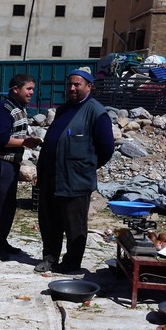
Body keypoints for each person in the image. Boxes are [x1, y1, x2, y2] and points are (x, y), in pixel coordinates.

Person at [34, 68, 115, 274]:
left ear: (89, 86)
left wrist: (85, 166)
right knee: (49, 221)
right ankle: (49, 259)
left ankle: (71, 263)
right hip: (52, 177)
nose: (71, 88)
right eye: (69, 84)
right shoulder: (63, 110)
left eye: (77, 84)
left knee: (74, 225)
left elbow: (106, 148)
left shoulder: (96, 112)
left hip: (76, 179)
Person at [0, 75, 42, 261]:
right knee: (0, 205)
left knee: (9, 205)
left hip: (11, 163)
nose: (31, 92)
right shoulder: (4, 109)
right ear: (15, 89)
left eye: (32, 89)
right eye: (29, 89)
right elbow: (0, 139)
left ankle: (1, 241)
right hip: (1, 163)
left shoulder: (19, 108)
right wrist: (26, 142)